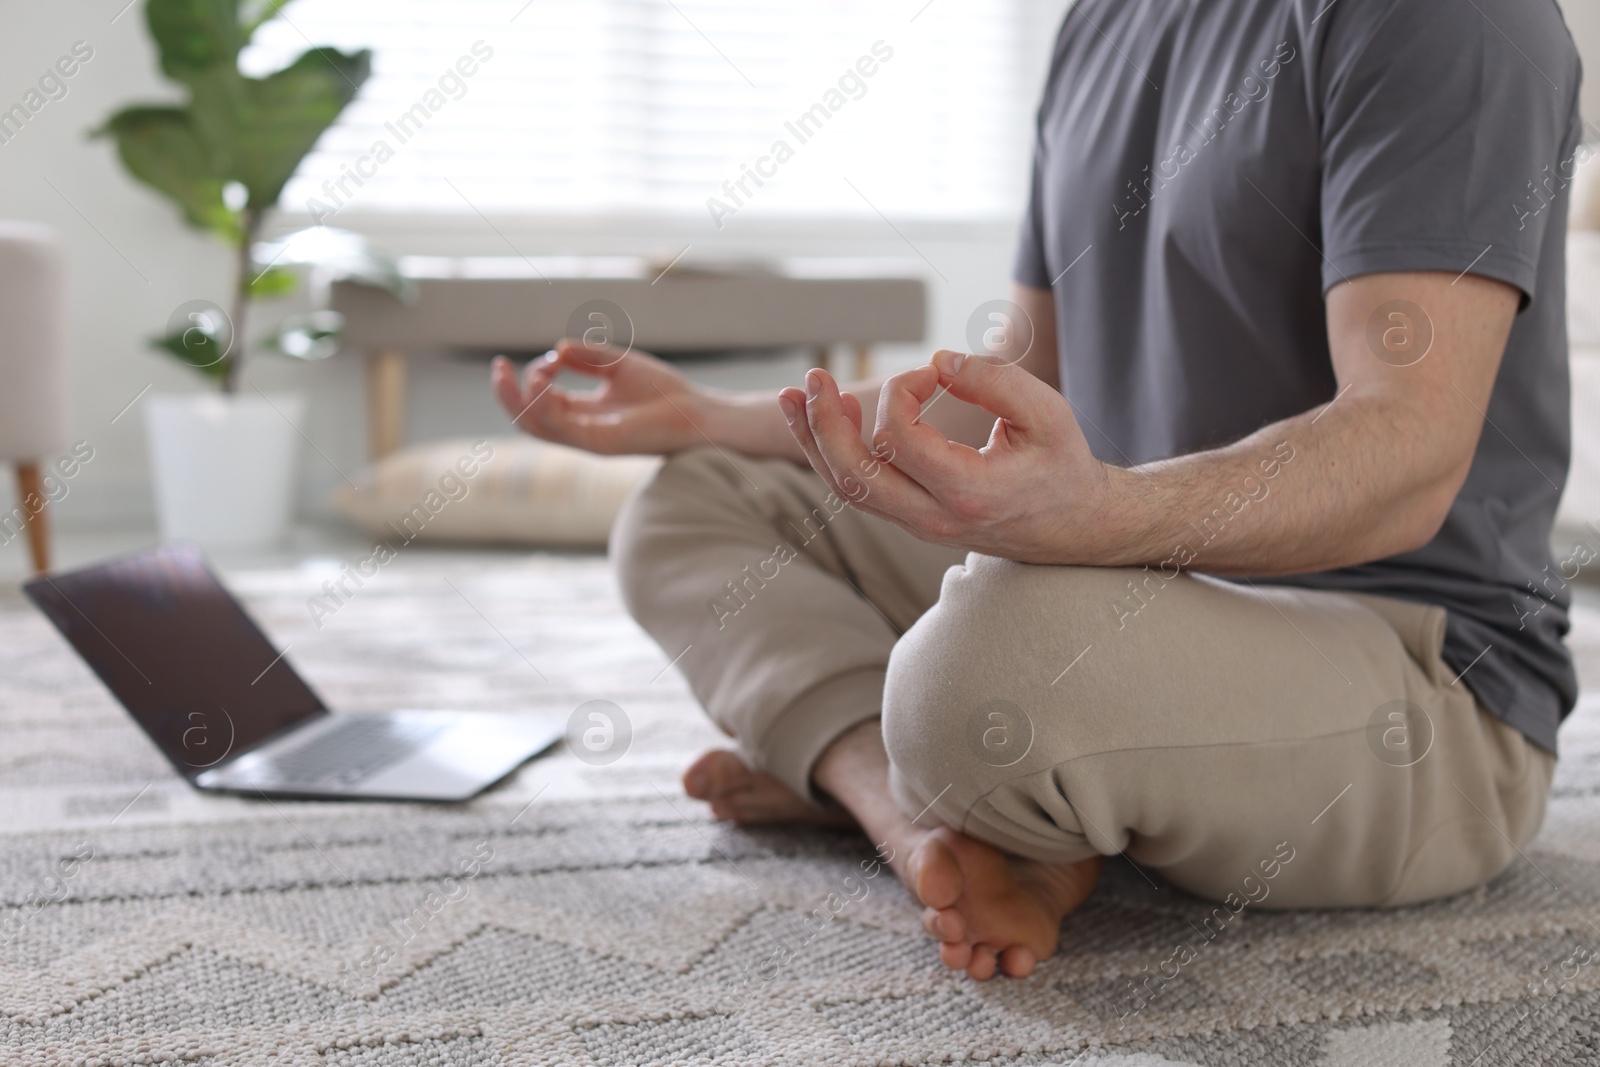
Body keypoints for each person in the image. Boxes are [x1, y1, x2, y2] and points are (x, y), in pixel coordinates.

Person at [492, 0, 1584, 982]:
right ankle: (913, 817)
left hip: (1422, 675)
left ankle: (941, 773)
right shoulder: (1099, 21)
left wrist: (1096, 517)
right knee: (699, 503)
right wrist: (719, 420)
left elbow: (1406, 453)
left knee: (991, 656)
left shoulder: (1452, 21)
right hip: (1149, 588)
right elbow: (1020, 372)